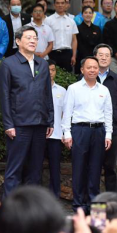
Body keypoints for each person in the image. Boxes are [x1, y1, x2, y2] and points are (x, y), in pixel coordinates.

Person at [0, 25, 54, 197]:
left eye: (35, 38)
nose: (33, 41)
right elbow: (4, 96)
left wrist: (50, 120)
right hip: (19, 125)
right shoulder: (8, 64)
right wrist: (8, 124)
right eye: (28, 38)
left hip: (40, 124)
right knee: (14, 169)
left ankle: (31, 208)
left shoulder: (42, 64)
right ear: (18, 41)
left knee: (35, 170)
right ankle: (9, 208)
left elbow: (47, 93)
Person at [62, 56, 113, 212]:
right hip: (80, 130)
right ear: (82, 70)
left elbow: (108, 113)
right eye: (89, 67)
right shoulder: (73, 88)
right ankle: (78, 205)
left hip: (99, 131)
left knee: (95, 169)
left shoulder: (104, 90)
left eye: (95, 67)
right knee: (79, 168)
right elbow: (67, 112)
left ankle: (94, 206)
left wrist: (108, 134)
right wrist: (67, 133)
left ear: (98, 70)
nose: (92, 70)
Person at [93, 44, 117, 193]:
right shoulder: (86, 77)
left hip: (110, 128)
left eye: (107, 55)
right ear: (95, 57)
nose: (104, 58)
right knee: (92, 165)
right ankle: (90, 199)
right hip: (90, 127)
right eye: (101, 55)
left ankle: (112, 200)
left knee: (110, 167)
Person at [46, 60, 66, 199]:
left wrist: (65, 133)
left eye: (53, 70)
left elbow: (65, 114)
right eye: (48, 70)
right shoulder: (36, 88)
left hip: (57, 135)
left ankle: (55, 196)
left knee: (55, 167)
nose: (50, 73)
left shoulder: (62, 91)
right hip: (38, 134)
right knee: (34, 166)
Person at [45, 0, 79, 72]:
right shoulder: (48, 20)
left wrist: (74, 56)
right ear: (54, 5)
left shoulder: (71, 21)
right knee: (52, 75)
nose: (60, 5)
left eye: (62, 3)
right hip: (52, 53)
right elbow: (45, 38)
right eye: (58, 3)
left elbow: (74, 40)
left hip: (67, 54)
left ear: (66, 5)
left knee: (67, 76)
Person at [76, 6, 102, 71]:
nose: (88, 15)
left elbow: (99, 44)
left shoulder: (97, 29)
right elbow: (79, 44)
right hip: (82, 58)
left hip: (95, 58)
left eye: (90, 13)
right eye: (86, 13)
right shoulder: (78, 28)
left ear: (92, 15)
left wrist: (95, 56)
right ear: (82, 15)